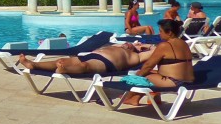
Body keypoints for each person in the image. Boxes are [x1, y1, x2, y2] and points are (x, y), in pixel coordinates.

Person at [124, 19, 195, 106]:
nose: (159, 34)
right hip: (189, 80)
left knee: (140, 75)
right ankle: (137, 98)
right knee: (151, 73)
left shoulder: (165, 45)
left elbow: (148, 65)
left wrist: (136, 77)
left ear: (169, 33)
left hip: (174, 82)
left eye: (161, 31)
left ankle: (128, 97)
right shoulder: (184, 43)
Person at [18, 42, 153, 75]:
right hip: (93, 55)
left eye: (138, 44)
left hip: (106, 63)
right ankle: (34, 65)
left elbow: (158, 49)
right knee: (61, 60)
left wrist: (145, 45)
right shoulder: (118, 45)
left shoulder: (137, 56)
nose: (135, 43)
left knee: (85, 67)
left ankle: (66, 70)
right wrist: (123, 44)